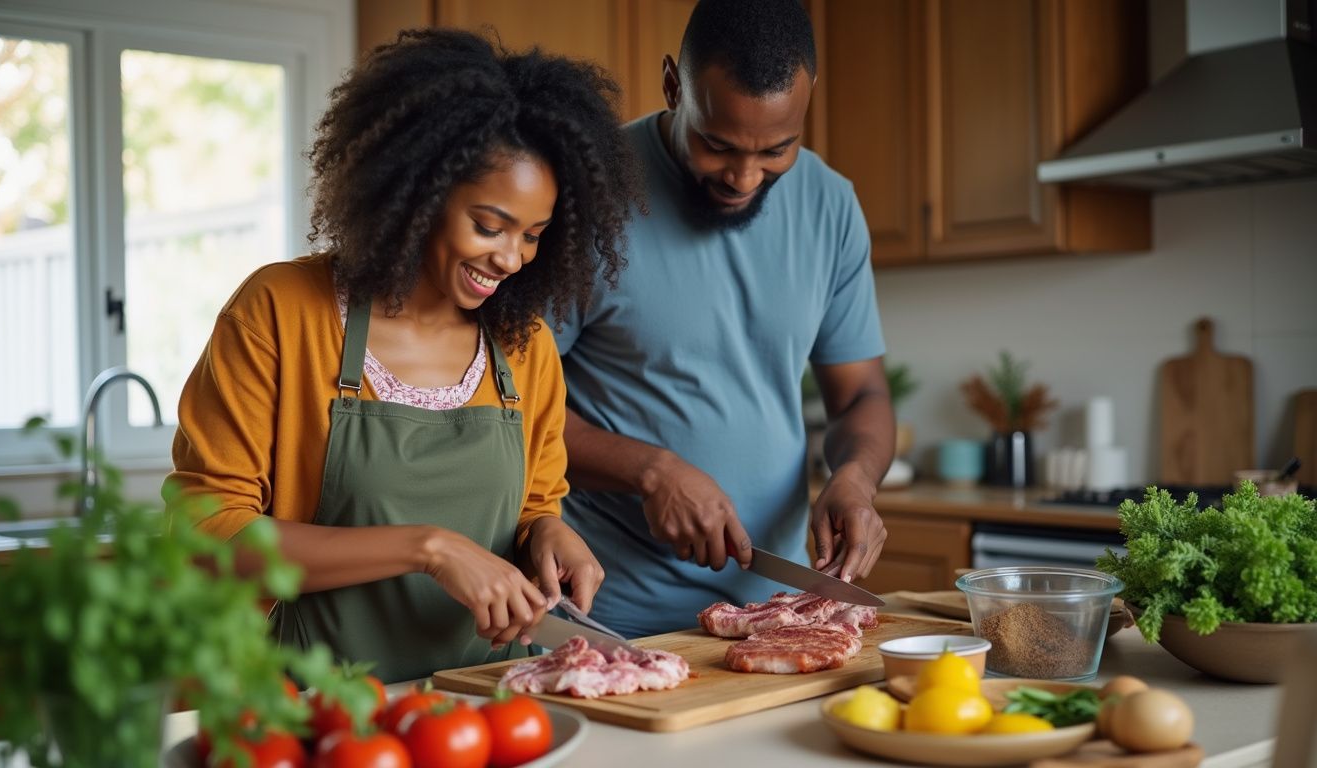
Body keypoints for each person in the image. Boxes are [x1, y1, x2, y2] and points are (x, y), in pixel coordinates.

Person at [167, 29, 640, 683]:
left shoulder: (523, 345)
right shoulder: (280, 310)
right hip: (312, 709)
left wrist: (547, 534)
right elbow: (209, 537)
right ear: (419, 192)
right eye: (489, 225)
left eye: (533, 235)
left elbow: (536, 500)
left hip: (486, 706)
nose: (511, 259)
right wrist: (429, 548)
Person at [553, 0, 894, 637]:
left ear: (809, 96)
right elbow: (506, 401)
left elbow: (862, 396)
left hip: (781, 614)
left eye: (777, 149)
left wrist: (855, 478)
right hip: (611, 618)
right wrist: (649, 471)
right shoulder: (585, 194)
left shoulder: (832, 205)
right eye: (717, 144)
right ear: (672, 86)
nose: (743, 176)